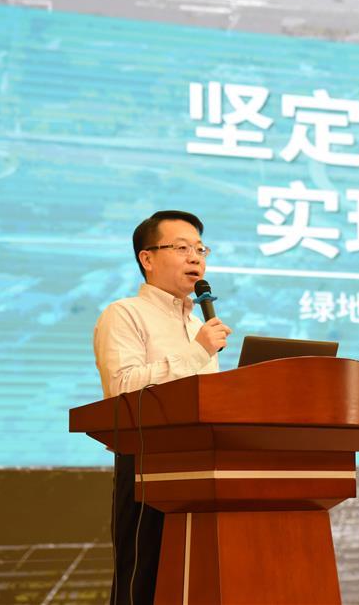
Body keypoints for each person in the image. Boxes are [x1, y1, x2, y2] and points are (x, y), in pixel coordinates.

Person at [93, 210, 232, 604]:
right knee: (144, 583)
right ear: (147, 258)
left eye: (200, 249)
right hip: (148, 465)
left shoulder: (198, 325)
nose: (195, 258)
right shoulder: (124, 314)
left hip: (203, 465)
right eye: (182, 248)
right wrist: (198, 352)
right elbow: (122, 389)